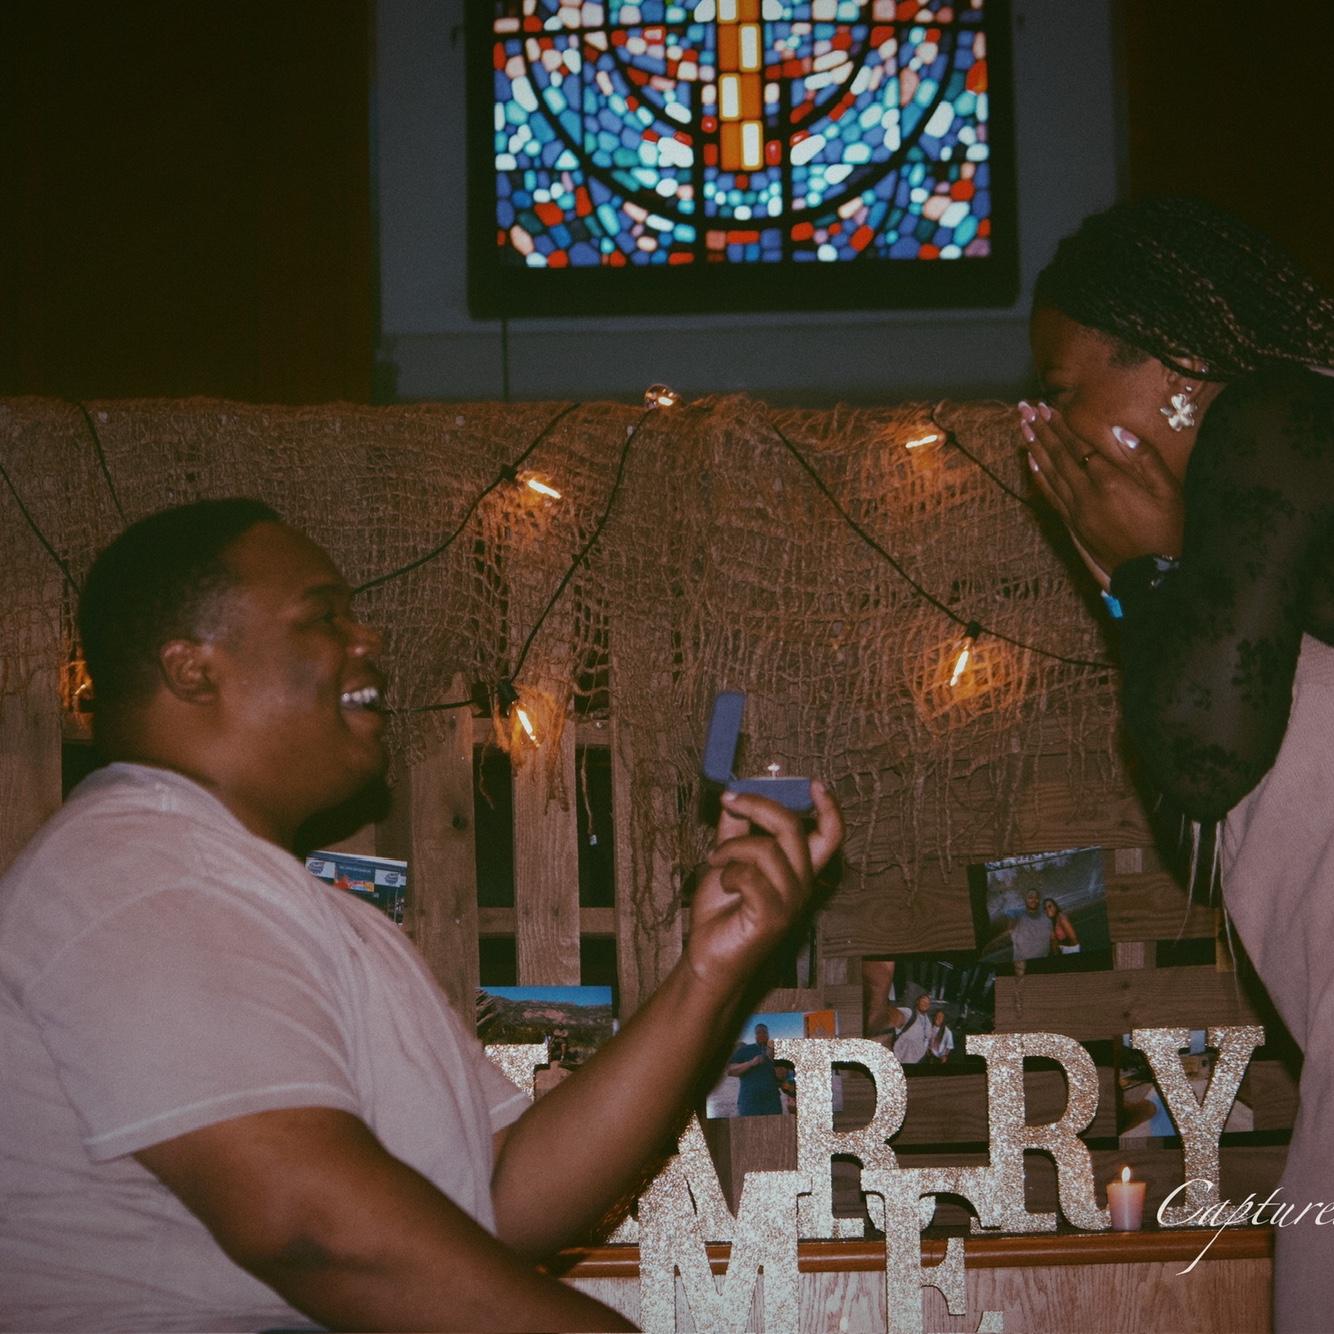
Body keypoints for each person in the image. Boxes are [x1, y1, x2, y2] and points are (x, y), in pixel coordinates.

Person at [0, 499, 844, 1332]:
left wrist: (710, 973)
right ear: (193, 670)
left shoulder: (299, 907)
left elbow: (505, 1197)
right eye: (324, 616)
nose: (367, 639)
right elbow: (314, 1230)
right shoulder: (144, 868)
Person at [1019, 196, 1334, 1333]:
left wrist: (1137, 573)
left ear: (1178, 368)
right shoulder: (1245, 530)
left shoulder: (1279, 417)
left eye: (1061, 389)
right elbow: (1212, 819)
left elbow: (1201, 755)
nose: (1043, 425)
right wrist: (1145, 582)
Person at [726, 1022, 783, 1116]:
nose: (762, 1035)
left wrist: (775, 1060)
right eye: (759, 1032)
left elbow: (783, 1076)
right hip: (749, 1103)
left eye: (764, 1032)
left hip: (772, 1102)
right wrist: (750, 1063)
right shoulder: (745, 1050)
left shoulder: (777, 1051)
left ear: (768, 1035)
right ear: (755, 1035)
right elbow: (730, 1070)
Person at [1006, 886, 1051, 966]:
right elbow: (1010, 917)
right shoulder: (1017, 913)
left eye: (1036, 898)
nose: (1034, 900)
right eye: (1030, 897)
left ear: (1039, 900)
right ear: (1025, 899)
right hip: (1022, 964)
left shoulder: (1045, 915)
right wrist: (1011, 925)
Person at [889, 992, 934, 1065]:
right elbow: (890, 1012)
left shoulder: (928, 1021)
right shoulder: (908, 1012)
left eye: (928, 1003)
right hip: (900, 1058)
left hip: (918, 1060)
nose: (925, 1004)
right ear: (917, 1002)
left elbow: (928, 1038)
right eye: (923, 1001)